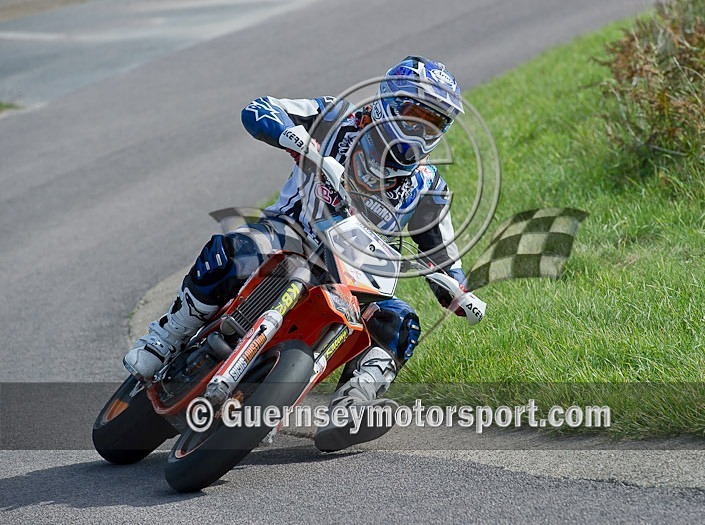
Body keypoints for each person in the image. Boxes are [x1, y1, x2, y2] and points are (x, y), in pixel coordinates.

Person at [123, 55, 468, 451]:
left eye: (436, 122)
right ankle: (168, 334)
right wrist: (298, 141)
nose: (421, 129)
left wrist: (456, 291)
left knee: (402, 321)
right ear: (390, 100)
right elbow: (259, 109)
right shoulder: (340, 116)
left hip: (354, 277)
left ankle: (353, 405)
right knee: (239, 248)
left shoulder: (429, 186)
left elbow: (447, 257)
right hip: (289, 236)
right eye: (415, 113)